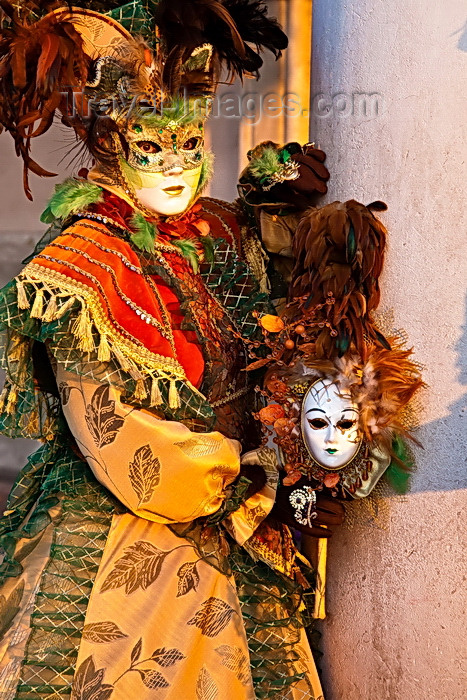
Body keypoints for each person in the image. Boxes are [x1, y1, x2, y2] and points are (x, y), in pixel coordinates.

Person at [0, 2, 339, 698]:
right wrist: (263, 489)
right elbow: (125, 445)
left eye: (189, 144)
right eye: (150, 147)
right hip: (137, 546)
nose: (177, 165)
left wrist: (283, 211)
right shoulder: (83, 260)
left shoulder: (216, 229)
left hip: (237, 538)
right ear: (106, 143)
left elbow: (271, 325)